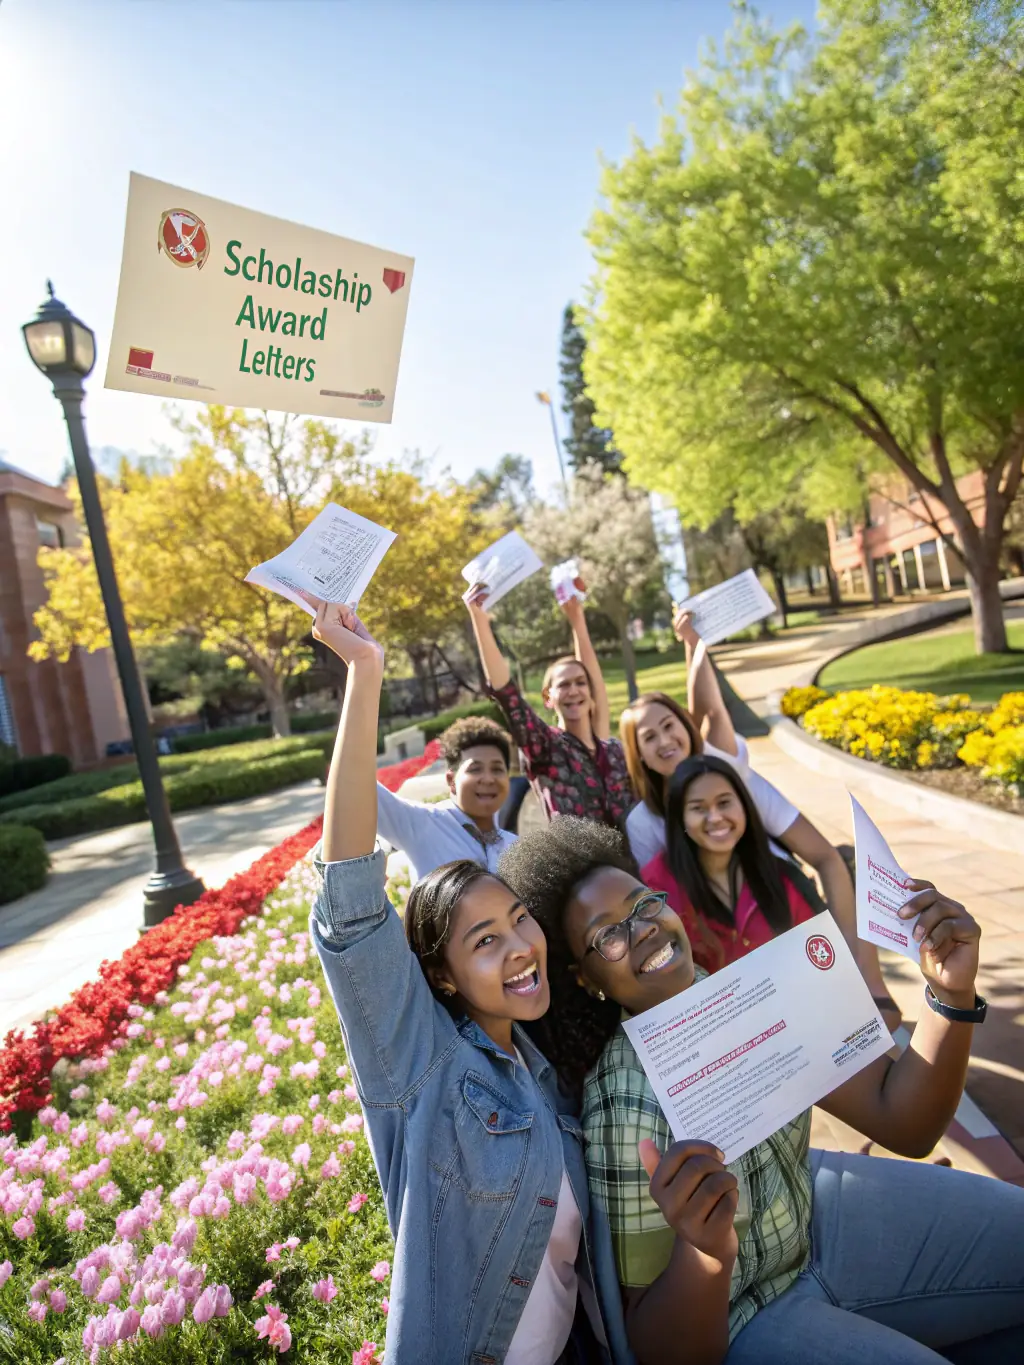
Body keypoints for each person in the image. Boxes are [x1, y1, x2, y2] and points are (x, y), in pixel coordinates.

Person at [500, 818, 1024, 1365]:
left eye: (644, 905)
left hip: (810, 1223)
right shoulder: (624, 1108)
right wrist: (702, 1252)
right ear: (585, 980)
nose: (643, 930)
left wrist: (949, 991)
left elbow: (904, 1121)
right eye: (608, 935)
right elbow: (661, 1351)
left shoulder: (740, 992)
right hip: (742, 1315)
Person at [307, 599, 633, 1365]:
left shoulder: (548, 1072)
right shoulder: (422, 1065)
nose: (522, 945)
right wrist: (365, 672)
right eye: (484, 940)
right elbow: (352, 901)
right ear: (441, 978)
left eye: (522, 920)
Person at [621, 610, 894, 1019]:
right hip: (717, 940)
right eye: (649, 737)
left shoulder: (730, 774)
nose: (665, 741)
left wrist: (868, 982)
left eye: (670, 725)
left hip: (772, 900)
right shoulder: (644, 825)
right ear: (636, 753)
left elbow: (712, 709)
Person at [640, 754, 826, 974]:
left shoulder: (782, 878)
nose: (716, 817)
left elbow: (822, 957)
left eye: (724, 803)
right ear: (680, 818)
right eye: (698, 808)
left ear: (744, 805)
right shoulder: (655, 889)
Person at [465, 581, 632, 827]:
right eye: (563, 685)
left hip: (634, 862)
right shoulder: (545, 746)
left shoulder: (613, 752)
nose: (573, 690)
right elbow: (507, 694)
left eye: (580, 683)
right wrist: (479, 620)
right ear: (548, 698)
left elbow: (595, 684)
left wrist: (577, 619)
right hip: (581, 864)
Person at [376, 715, 518, 879]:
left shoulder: (516, 847)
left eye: (497, 769)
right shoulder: (424, 824)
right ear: (451, 780)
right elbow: (354, 785)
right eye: (475, 769)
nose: (488, 779)